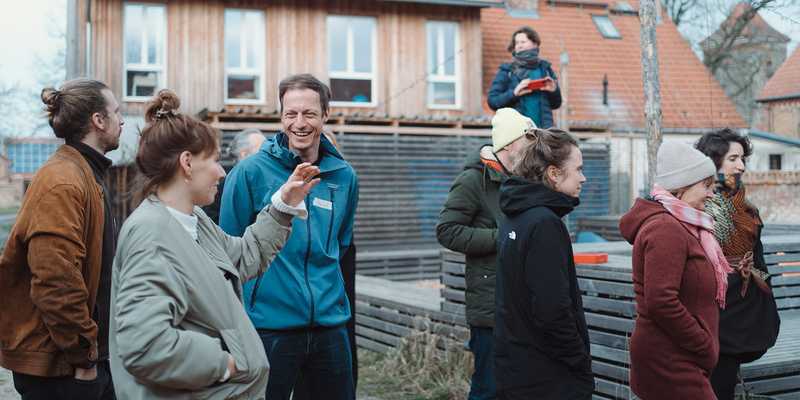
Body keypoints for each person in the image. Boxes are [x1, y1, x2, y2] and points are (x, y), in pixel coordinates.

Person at [108, 89, 316, 399]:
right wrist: (226, 363)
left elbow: (244, 257)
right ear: (187, 163)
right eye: (215, 160)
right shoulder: (151, 235)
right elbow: (145, 345)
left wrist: (282, 206)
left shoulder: (194, 221)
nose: (221, 171)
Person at [220, 73, 358, 400]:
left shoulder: (343, 177)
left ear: (325, 115)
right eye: (290, 113)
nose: (299, 123)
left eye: (309, 113)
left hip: (329, 326)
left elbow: (339, 246)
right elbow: (226, 251)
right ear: (280, 116)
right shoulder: (249, 173)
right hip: (269, 328)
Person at [0, 78, 122, 400]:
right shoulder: (63, 181)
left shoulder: (84, 173)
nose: (122, 121)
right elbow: (55, 280)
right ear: (98, 120)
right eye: (117, 112)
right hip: (63, 370)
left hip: (79, 363)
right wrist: (84, 356)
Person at [620, 141, 732, 400]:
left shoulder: (683, 226)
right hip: (669, 359)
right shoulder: (666, 229)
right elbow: (661, 301)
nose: (712, 194)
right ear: (681, 188)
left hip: (678, 354)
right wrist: (703, 345)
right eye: (706, 185)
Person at [436, 107, 534, 400]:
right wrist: (502, 237)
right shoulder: (473, 181)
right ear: (511, 144)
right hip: (490, 306)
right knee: (488, 389)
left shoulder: (525, 180)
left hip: (522, 302)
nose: (534, 149)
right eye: (529, 141)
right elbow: (447, 230)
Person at [495, 127, 592, 400]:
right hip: (548, 377)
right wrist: (579, 359)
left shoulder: (515, 216)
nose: (583, 178)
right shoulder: (544, 223)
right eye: (578, 169)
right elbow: (552, 309)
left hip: (517, 367)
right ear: (553, 173)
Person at [696, 129, 780, 400]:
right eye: (733, 158)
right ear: (713, 162)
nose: (741, 166)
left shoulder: (746, 209)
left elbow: (759, 260)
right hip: (711, 314)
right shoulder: (697, 207)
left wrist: (755, 278)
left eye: (742, 158)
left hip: (743, 313)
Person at [488, 26, 562, 129]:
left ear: (535, 43)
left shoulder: (545, 69)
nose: (519, 46)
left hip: (543, 133)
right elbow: (493, 102)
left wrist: (554, 90)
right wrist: (514, 93)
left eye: (523, 42)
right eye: (517, 43)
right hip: (517, 133)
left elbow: (556, 104)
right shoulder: (507, 70)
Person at [203, 128, 266, 224]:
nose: (267, 156)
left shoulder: (265, 182)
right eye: (262, 151)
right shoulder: (221, 186)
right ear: (244, 155)